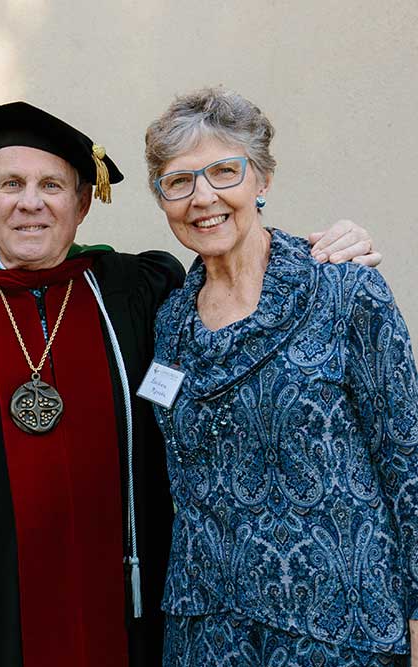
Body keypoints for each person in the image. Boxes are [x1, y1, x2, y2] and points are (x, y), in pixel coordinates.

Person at [0, 101, 381, 667]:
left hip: (130, 608)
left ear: (80, 205)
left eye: (52, 185)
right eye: (11, 184)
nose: (30, 202)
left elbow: (231, 318)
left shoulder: (138, 293)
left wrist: (328, 249)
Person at [144, 87, 418, 667]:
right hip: (208, 636)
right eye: (179, 181)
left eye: (224, 171)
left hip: (338, 632)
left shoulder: (344, 291)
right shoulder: (168, 322)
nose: (203, 198)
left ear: (262, 180)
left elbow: (407, 459)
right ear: (162, 198)